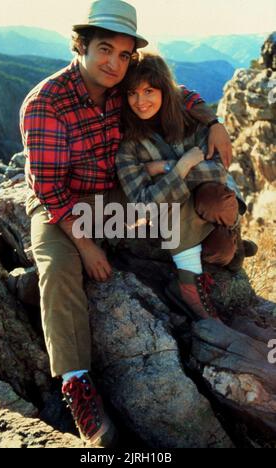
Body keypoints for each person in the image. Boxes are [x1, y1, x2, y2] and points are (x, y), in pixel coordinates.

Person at [20, 0, 236, 447]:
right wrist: (85, 246)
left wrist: (213, 121)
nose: (114, 63)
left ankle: (199, 265)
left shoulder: (123, 88)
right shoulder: (47, 103)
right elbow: (50, 192)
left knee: (180, 196)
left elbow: (176, 92)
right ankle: (77, 382)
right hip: (63, 205)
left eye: (123, 54)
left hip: (118, 192)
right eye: (104, 49)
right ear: (79, 46)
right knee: (60, 272)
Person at [116, 53, 257, 321]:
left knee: (217, 201)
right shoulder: (128, 147)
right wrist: (181, 167)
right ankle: (189, 285)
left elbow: (217, 169)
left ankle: (235, 244)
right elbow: (144, 206)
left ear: (163, 90)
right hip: (175, 221)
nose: (140, 101)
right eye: (132, 93)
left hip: (206, 205)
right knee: (220, 252)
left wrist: (162, 169)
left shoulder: (192, 121)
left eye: (149, 91)